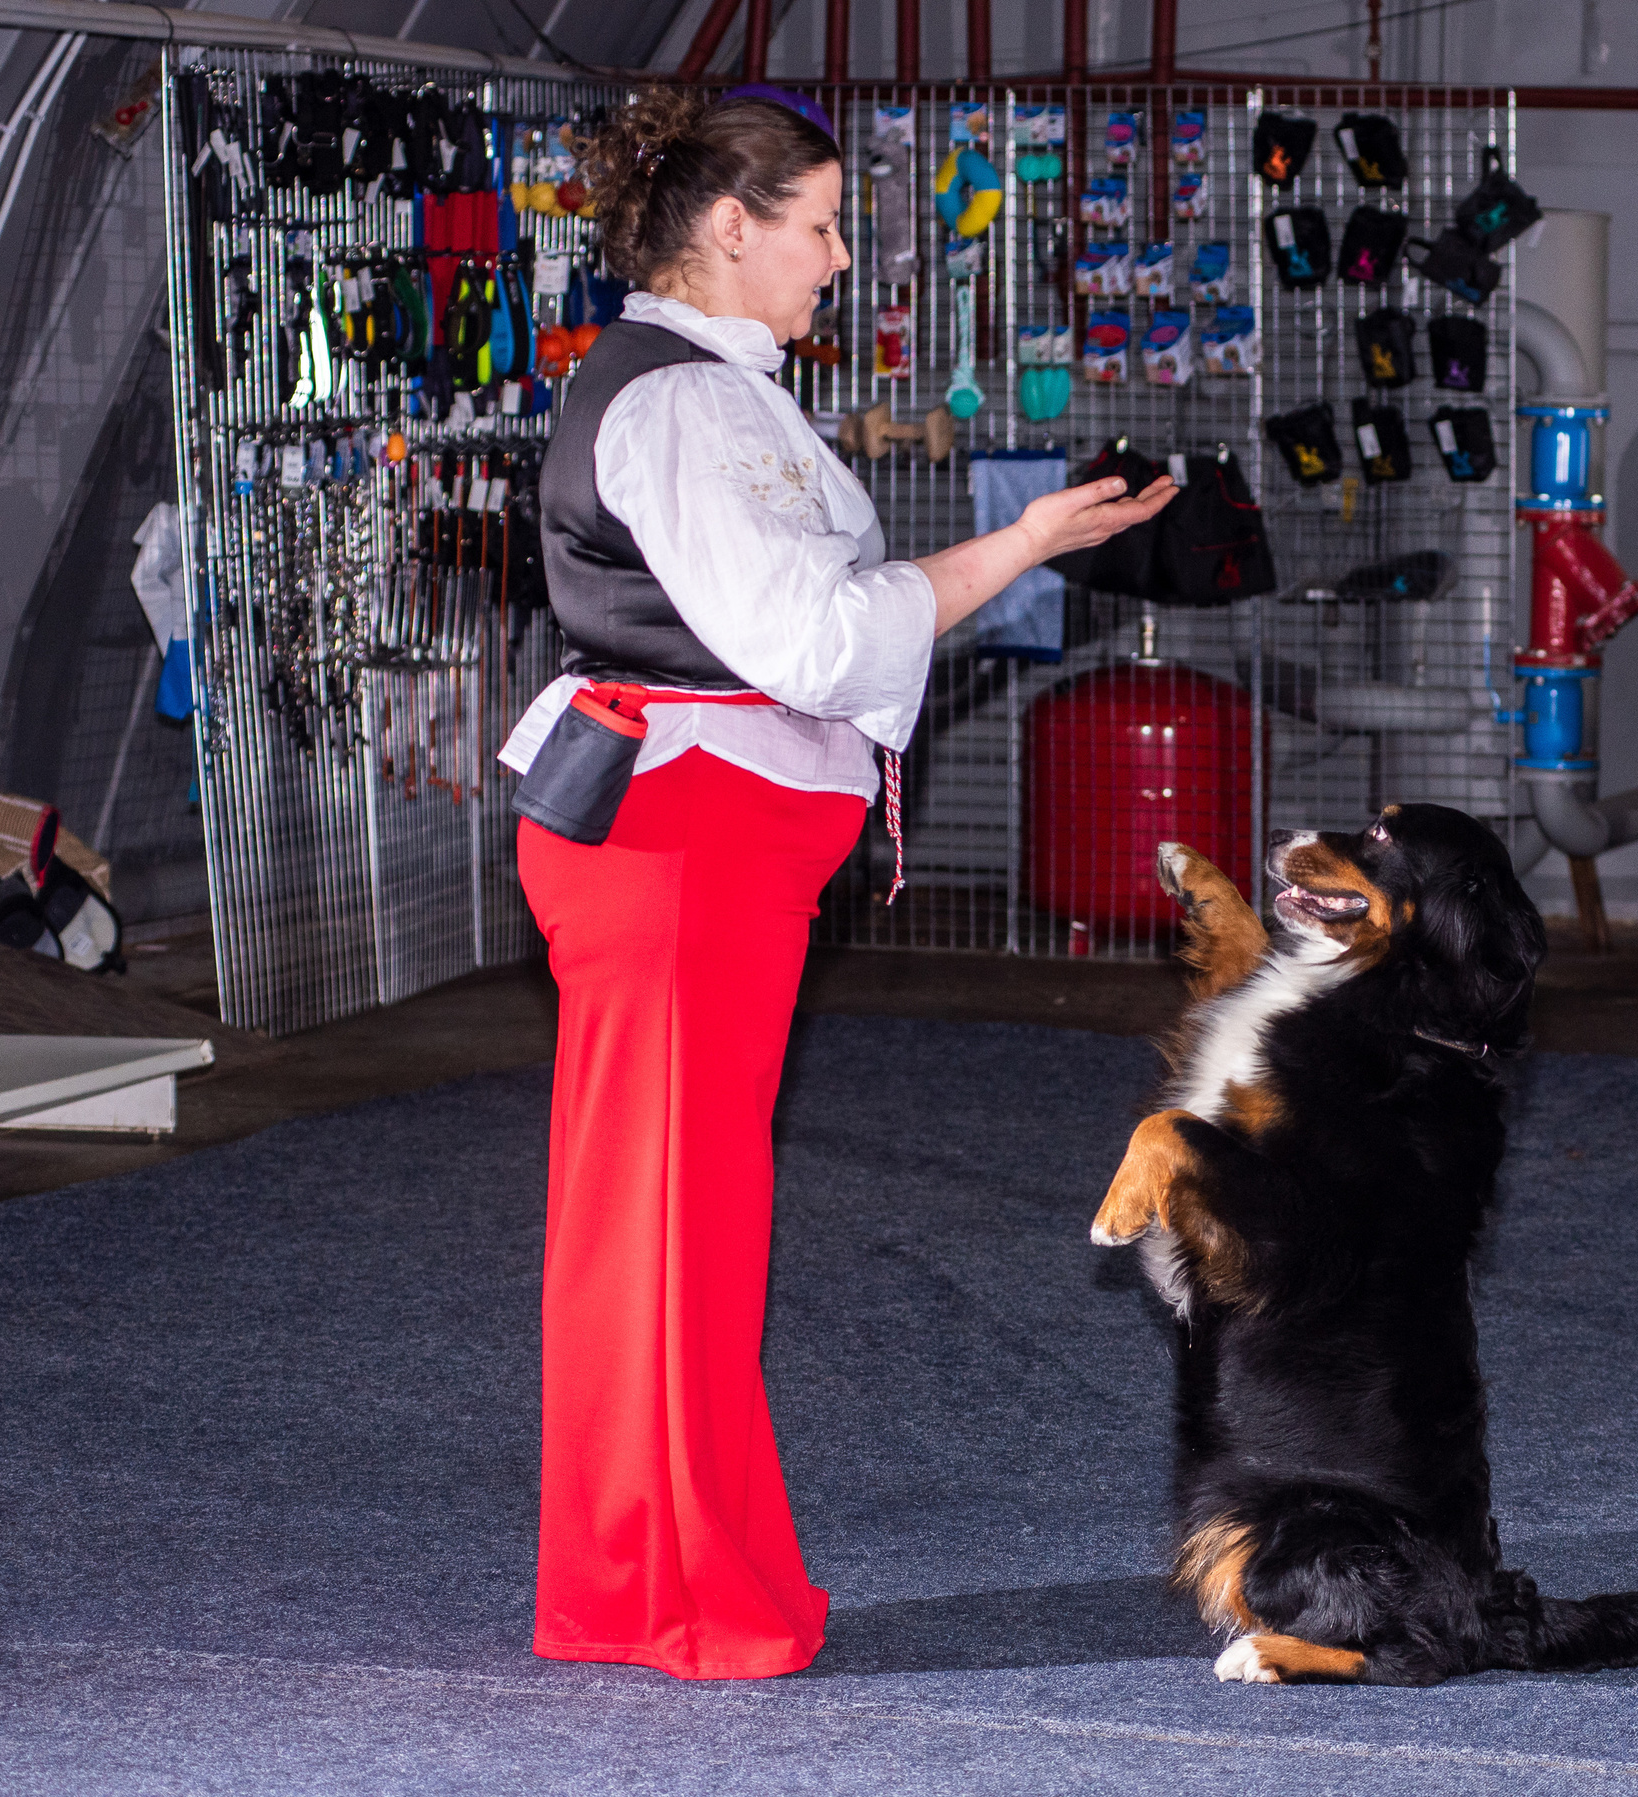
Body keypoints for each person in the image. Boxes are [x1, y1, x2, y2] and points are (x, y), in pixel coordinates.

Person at [497, 86, 1174, 1683]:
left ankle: (637, 1585)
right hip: (679, 844)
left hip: (695, 837)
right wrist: (1003, 556)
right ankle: (675, 1598)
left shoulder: (715, 394)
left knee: (669, 1226)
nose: (839, 256)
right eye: (817, 224)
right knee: (677, 1231)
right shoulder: (683, 405)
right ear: (732, 231)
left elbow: (819, 622)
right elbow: (807, 642)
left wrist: (1019, 546)